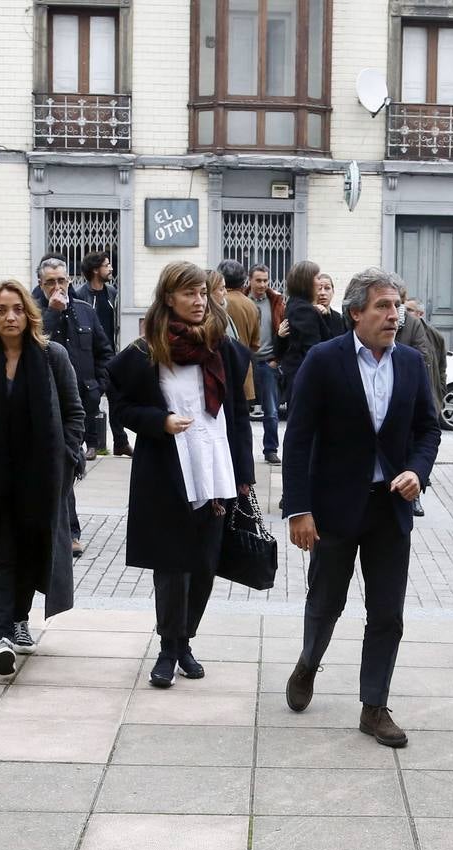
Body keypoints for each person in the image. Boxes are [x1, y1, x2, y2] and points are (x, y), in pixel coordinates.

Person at [282, 267, 442, 749]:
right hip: (333, 507)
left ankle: (374, 707)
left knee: (387, 612)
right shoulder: (323, 360)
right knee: (325, 602)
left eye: (396, 306)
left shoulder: (412, 363)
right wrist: (298, 509)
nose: (394, 315)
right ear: (356, 313)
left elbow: (428, 429)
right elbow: (299, 438)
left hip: (389, 508)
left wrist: (418, 470)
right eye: (383, 307)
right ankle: (310, 661)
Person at [108, 261, 255, 687]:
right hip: (169, 471)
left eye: (203, 293)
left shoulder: (222, 348)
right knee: (172, 564)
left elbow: (240, 416)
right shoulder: (145, 352)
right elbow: (121, 408)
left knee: (206, 562)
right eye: (189, 293)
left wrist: (244, 473)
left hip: (216, 470)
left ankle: (186, 640)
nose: (198, 301)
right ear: (168, 298)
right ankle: (168, 648)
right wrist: (160, 422)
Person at [0, 280, 84, 674]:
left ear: (29, 313)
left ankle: (20, 618)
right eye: (1, 310)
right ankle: (1, 635)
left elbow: (74, 412)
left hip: (39, 477)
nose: (10, 317)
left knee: (31, 548)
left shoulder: (51, 356)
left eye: (17, 309)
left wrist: (68, 456)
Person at [39, 257, 112, 558]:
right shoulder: (33, 313)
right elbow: (33, 345)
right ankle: (61, 531)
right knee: (52, 467)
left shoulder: (84, 311)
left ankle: (68, 532)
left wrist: (98, 387)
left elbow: (104, 352)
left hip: (78, 404)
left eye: (62, 281)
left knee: (66, 464)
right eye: (50, 282)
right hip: (43, 403)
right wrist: (52, 315)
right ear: (40, 285)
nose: (58, 287)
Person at [74, 252, 133, 457]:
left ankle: (120, 442)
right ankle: (89, 443)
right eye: (107, 265)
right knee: (91, 399)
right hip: (90, 355)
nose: (111, 269)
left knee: (117, 397)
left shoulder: (111, 292)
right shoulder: (81, 294)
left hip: (109, 353)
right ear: (95, 270)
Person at [245, 263, 286, 464]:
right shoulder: (242, 300)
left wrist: (276, 360)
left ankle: (270, 449)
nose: (262, 284)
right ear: (249, 280)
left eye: (265, 280)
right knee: (243, 408)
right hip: (246, 363)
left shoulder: (276, 302)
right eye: (258, 280)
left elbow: (285, 333)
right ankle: (242, 451)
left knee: (271, 411)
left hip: (268, 362)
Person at [275, 261, 328, 401]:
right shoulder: (304, 310)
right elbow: (312, 350)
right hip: (307, 381)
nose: (320, 283)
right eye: (317, 278)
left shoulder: (295, 305)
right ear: (307, 282)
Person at [217, 259, 260, 407]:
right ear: (243, 280)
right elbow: (255, 344)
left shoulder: (217, 303)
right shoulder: (251, 305)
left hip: (221, 372)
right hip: (244, 374)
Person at [404, 297, 448, 411]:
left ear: (420, 314)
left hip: (429, 402)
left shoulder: (435, 336)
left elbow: (441, 367)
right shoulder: (398, 332)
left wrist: (440, 392)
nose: (405, 313)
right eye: (403, 309)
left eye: (409, 310)